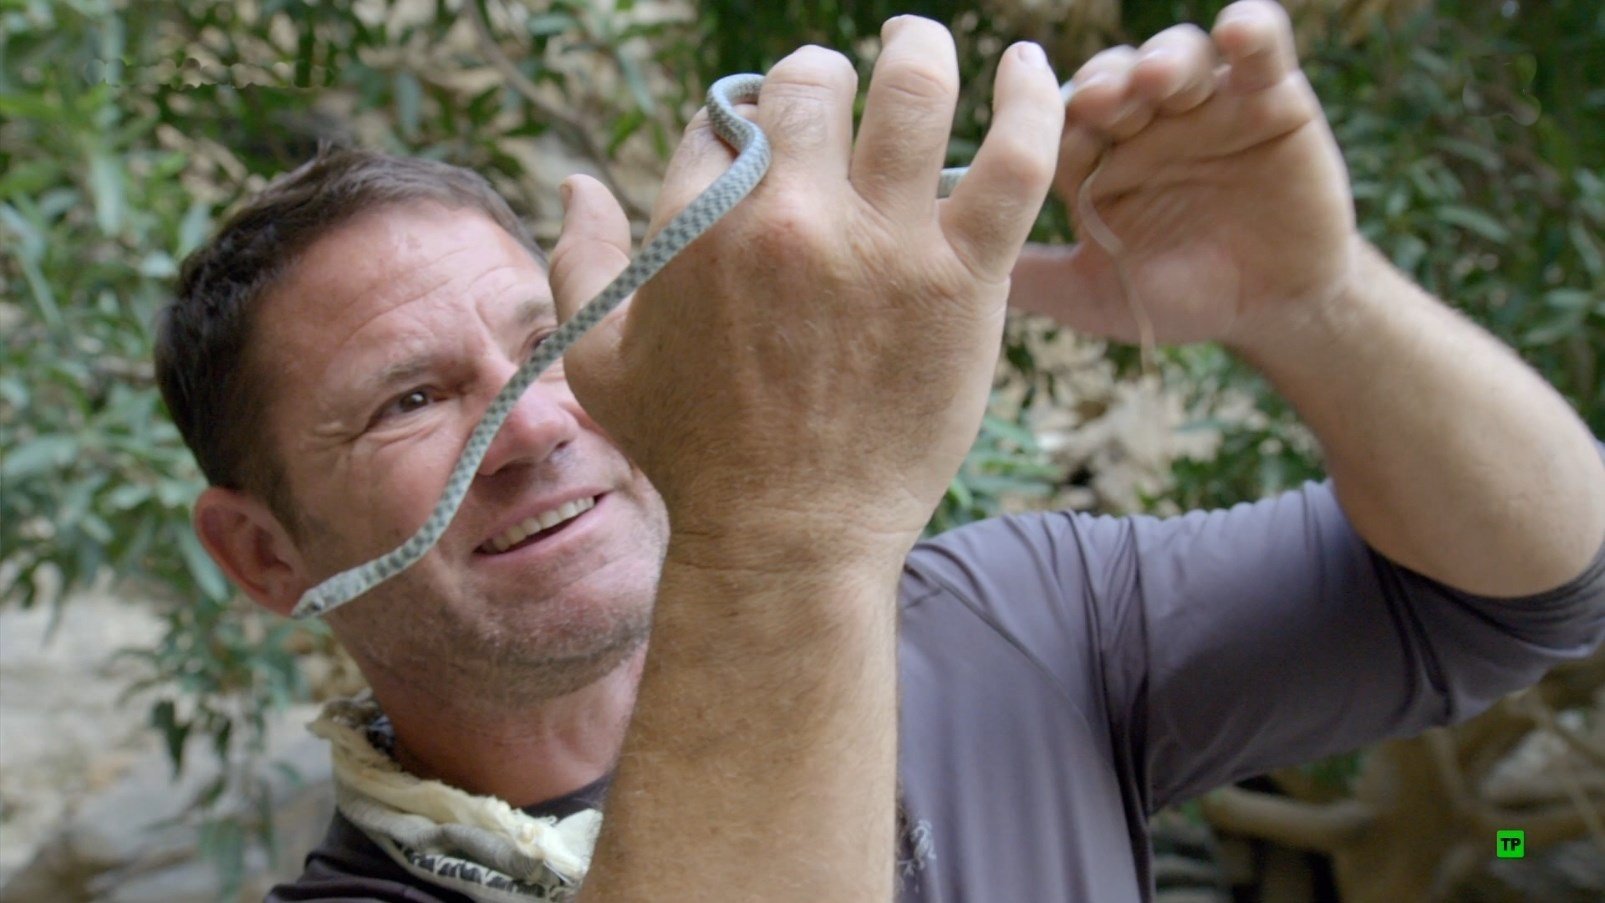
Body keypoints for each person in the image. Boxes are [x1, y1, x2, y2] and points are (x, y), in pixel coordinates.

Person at [154, 2, 1605, 901]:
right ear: (264, 554)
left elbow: (1514, 590)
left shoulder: (1009, 616)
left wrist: (1316, 303)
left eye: (551, 340)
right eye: (410, 400)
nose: (536, 426)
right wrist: (784, 526)